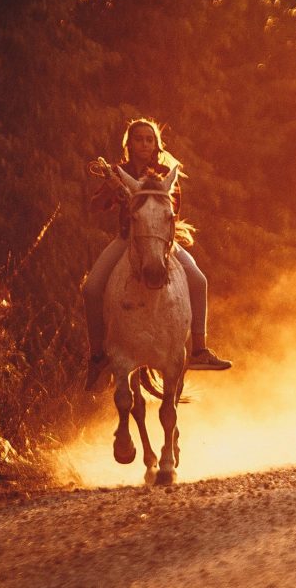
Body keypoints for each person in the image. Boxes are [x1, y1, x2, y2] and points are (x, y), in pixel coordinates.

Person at [83, 118, 232, 389]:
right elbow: (95, 206)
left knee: (198, 280)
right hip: (127, 240)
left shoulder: (164, 173)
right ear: (129, 144)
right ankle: (97, 356)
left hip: (161, 242)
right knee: (92, 288)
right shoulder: (117, 172)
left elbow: (171, 208)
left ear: (156, 144)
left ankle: (199, 349)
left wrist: (139, 198)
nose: (144, 144)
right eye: (138, 139)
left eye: (149, 139)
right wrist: (114, 191)